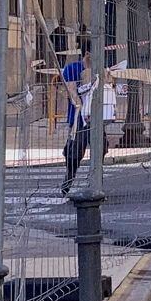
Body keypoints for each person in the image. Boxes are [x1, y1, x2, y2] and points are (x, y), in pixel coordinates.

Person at [59, 46, 93, 193]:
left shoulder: (100, 70)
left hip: (95, 117)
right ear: (86, 53)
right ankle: (69, 178)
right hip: (79, 118)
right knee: (75, 150)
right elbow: (72, 93)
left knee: (101, 147)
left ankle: (95, 180)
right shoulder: (72, 69)